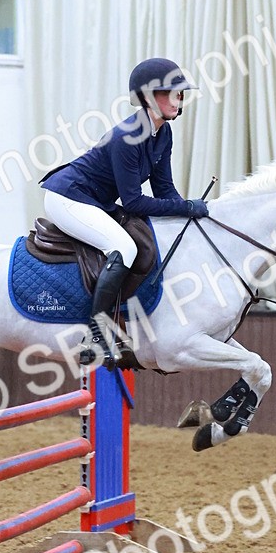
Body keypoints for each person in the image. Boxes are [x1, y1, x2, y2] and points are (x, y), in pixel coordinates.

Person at [41, 57, 209, 364]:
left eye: (180, 93)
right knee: (124, 248)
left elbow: (164, 190)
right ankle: (95, 334)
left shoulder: (163, 134)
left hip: (97, 201)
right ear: (147, 98)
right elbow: (133, 202)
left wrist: (189, 216)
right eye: (170, 93)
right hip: (68, 198)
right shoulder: (127, 137)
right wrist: (187, 207)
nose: (178, 99)